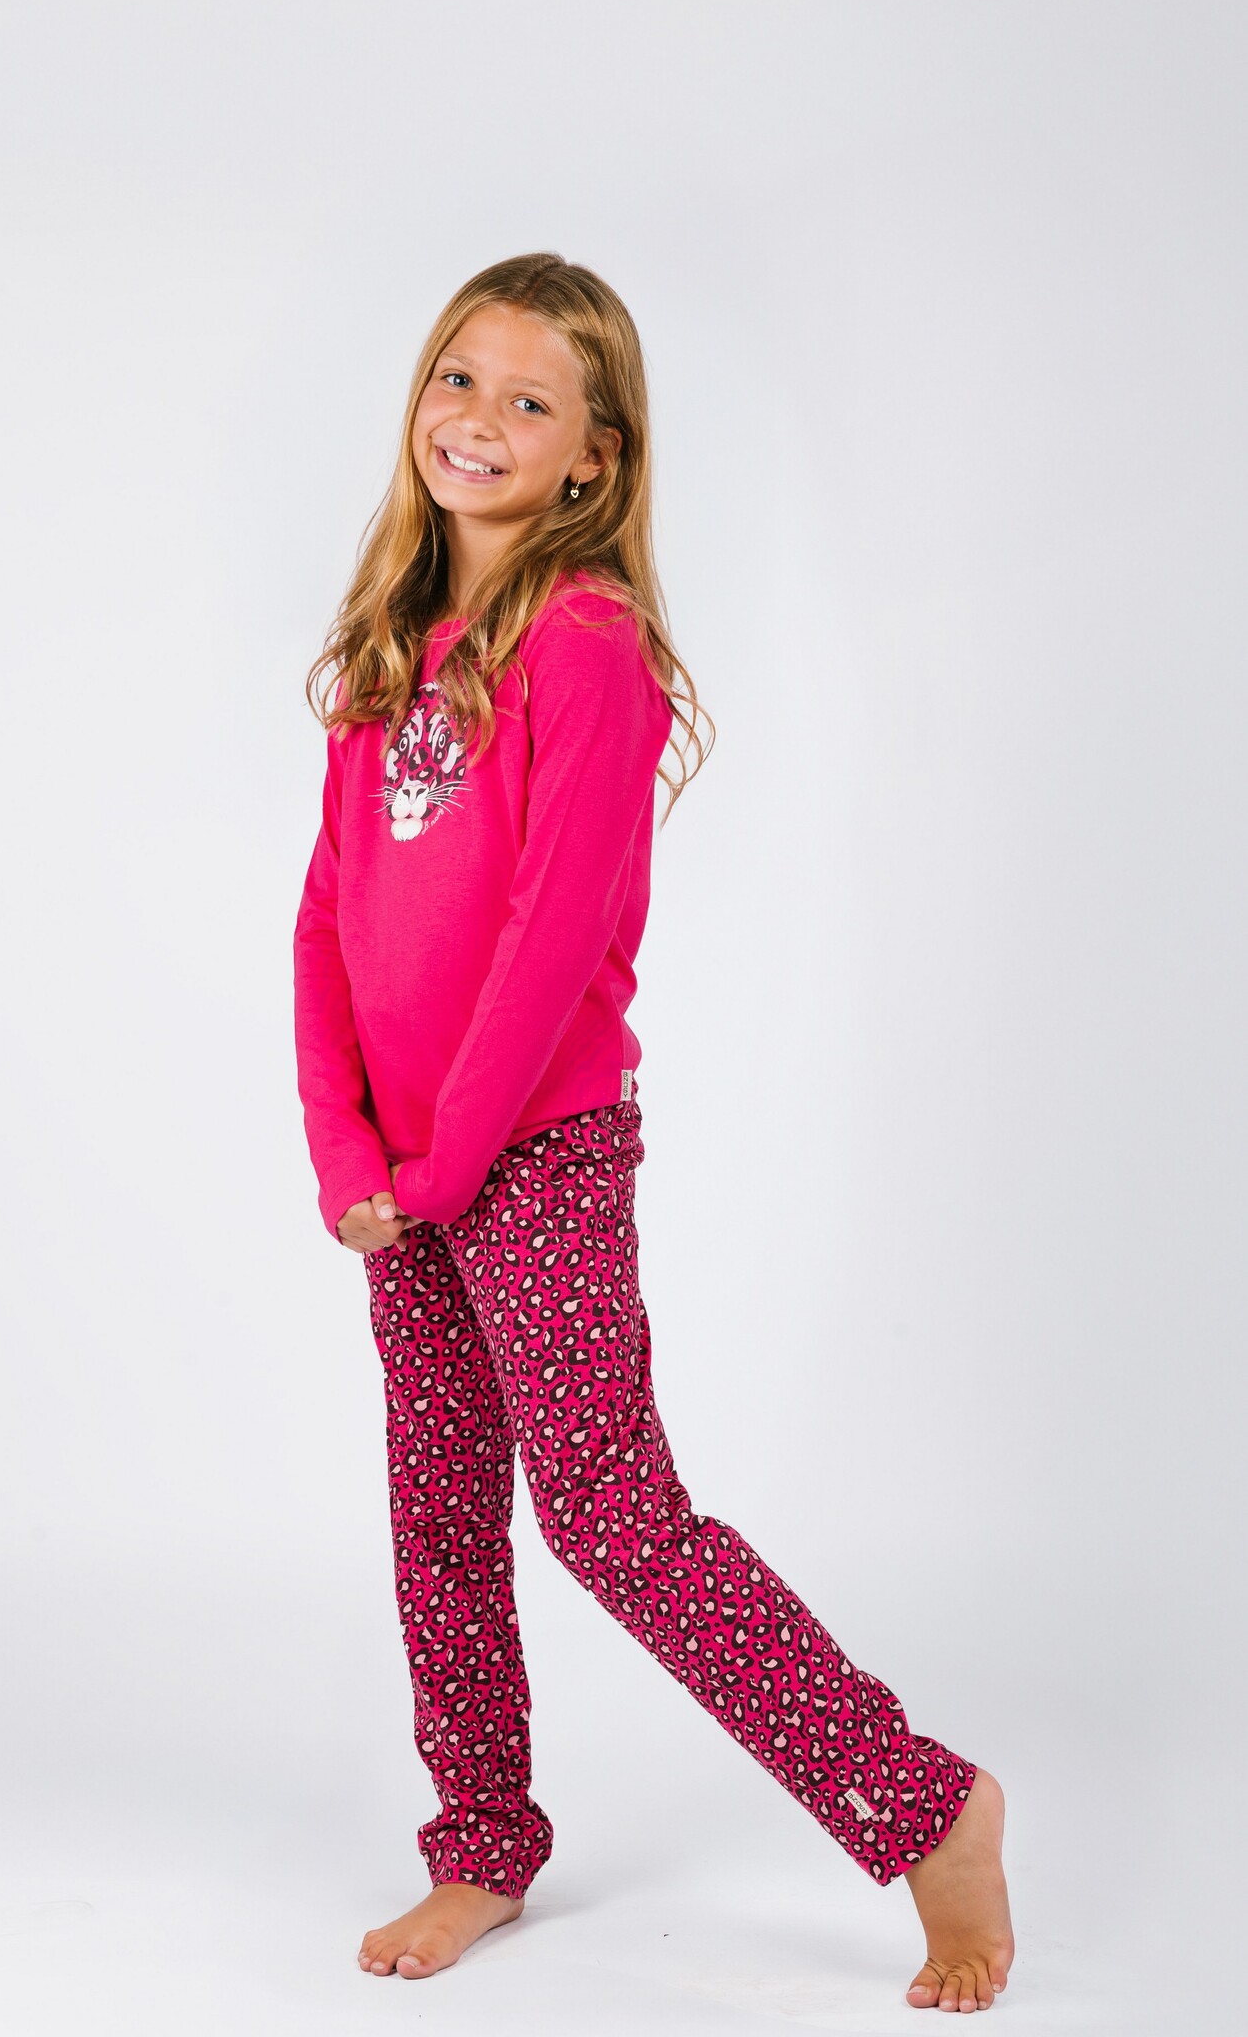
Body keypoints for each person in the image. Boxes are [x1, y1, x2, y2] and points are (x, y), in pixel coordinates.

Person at [292, 251, 1014, 2013]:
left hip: (528, 1160)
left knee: (614, 1521)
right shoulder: (395, 638)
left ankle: (927, 1810)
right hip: (402, 1178)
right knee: (439, 1506)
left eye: (529, 400)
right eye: (458, 378)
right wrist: (348, 1155)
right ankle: (480, 1839)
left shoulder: (585, 645)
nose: (478, 419)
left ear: (591, 458)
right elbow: (325, 912)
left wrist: (445, 1164)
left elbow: (557, 937)